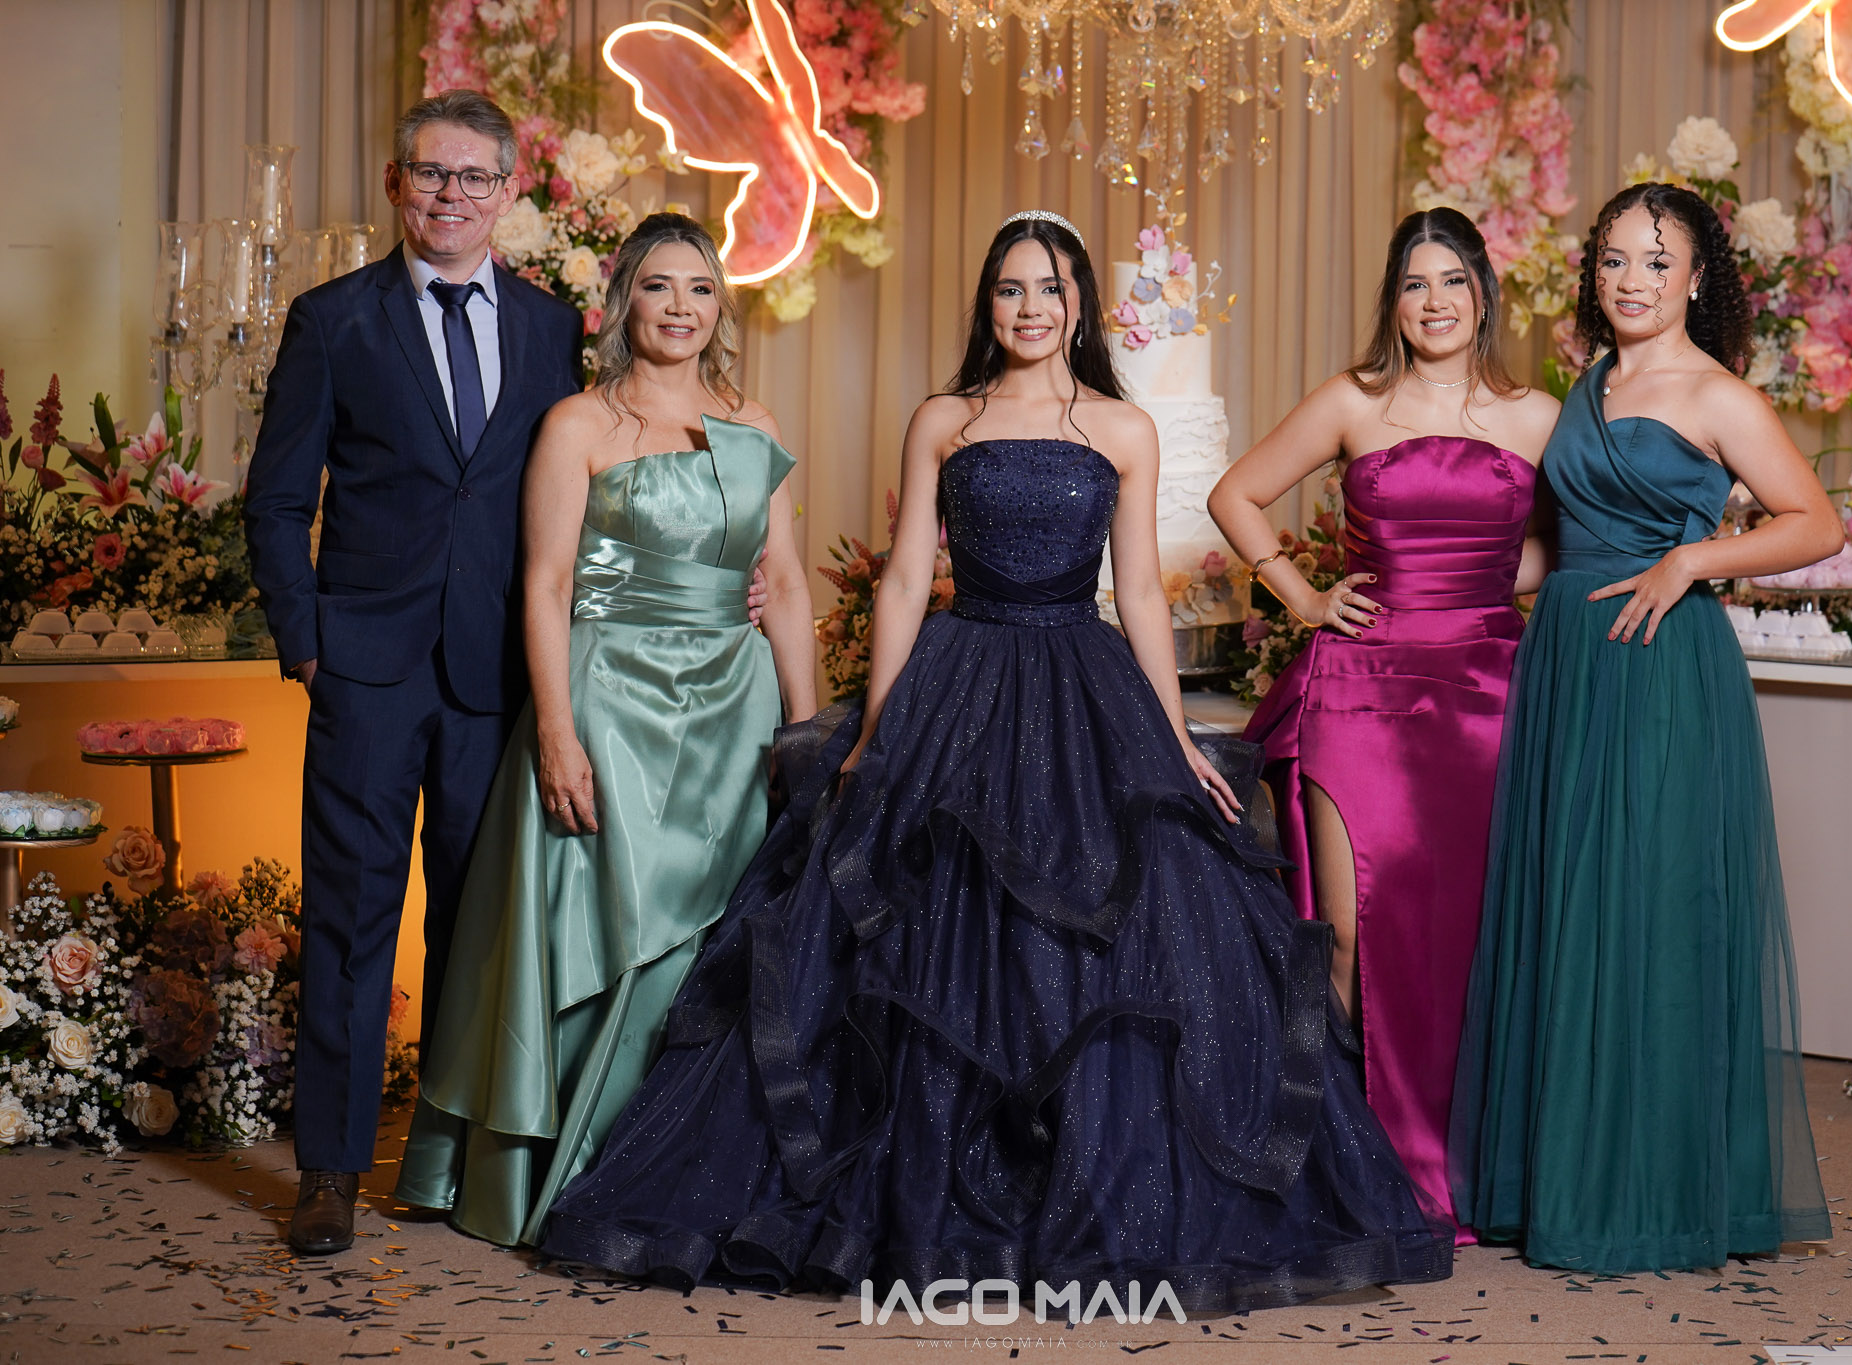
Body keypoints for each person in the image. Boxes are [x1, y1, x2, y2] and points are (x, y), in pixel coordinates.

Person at [538, 211, 1456, 1308]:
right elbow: (900, 580)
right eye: (1011, 289)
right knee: (924, 933)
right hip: (957, 680)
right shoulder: (944, 418)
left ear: (1079, 307)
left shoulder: (1121, 427)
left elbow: (1140, 592)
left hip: (1083, 681)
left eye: (1050, 289)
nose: (1030, 308)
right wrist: (873, 732)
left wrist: (1171, 739)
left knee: (1097, 937)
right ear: (988, 304)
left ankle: (1083, 1187)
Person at [392, 214, 816, 1246]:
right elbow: (542, 587)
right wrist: (556, 732)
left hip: (732, 710)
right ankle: (568, 1175)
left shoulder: (754, 422)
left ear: (721, 308)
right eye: (659, 286)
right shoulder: (577, 423)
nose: (680, 307)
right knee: (603, 924)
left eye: (700, 289)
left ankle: (680, 1171)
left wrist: (805, 732)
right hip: (608, 703)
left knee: (711, 935)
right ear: (625, 300)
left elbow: (788, 585)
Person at [1451, 182, 1836, 1273]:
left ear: (1696, 279)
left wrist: (1691, 559)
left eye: (1656, 263)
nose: (1631, 281)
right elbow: (1549, 548)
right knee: (1567, 909)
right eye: (1614, 260)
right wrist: (1437, 588)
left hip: (1664, 664)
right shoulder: (1585, 386)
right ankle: (1562, 1176)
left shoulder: (1717, 394)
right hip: (1567, 664)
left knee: (1649, 909)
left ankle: (1648, 1195)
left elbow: (1815, 521)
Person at [244, 90, 586, 1257]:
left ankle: (440, 1163)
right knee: (349, 920)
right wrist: (306, 640)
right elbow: (277, 498)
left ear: (507, 192)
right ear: (396, 185)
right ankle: (330, 1170)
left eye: (473, 176)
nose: (450, 194)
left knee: (477, 927)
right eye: (430, 173)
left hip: (500, 674)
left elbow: (585, 493)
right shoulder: (333, 320)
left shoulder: (552, 329)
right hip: (367, 671)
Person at [1207, 207, 1558, 1242]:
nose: (1434, 301)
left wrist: (1480, 583)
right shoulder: (1352, 399)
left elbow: (1562, 549)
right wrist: (1303, 594)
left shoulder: (1539, 415)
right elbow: (1236, 495)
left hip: (1486, 693)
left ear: (1484, 293)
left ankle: (1472, 1162)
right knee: (1352, 930)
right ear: (1392, 302)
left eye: (1452, 281)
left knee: (1473, 931)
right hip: (1360, 688)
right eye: (1414, 284)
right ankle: (1367, 1167)